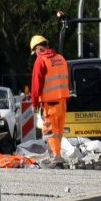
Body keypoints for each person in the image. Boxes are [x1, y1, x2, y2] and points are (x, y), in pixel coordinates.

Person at [29, 34, 71, 162]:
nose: (36, 55)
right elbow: (65, 81)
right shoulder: (61, 59)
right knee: (58, 131)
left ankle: (56, 157)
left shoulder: (41, 61)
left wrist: (34, 103)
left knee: (51, 131)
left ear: (38, 49)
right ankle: (57, 155)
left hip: (50, 104)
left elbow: (36, 86)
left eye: (35, 52)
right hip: (63, 102)